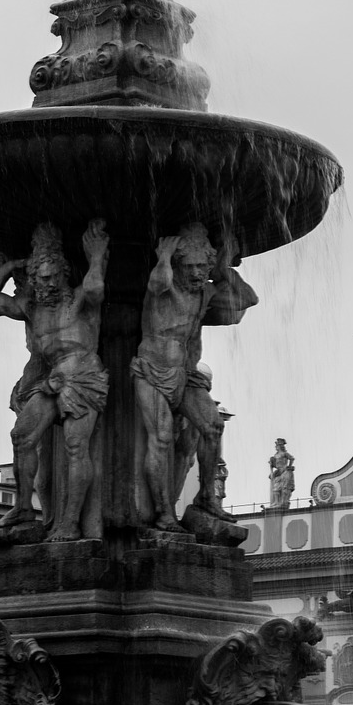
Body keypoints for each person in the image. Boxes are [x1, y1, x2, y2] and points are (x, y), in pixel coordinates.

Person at [0, 220, 109, 541]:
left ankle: (70, 523)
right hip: (53, 380)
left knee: (76, 447)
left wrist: (95, 257)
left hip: (83, 378)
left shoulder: (75, 299)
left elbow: (95, 289)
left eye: (51, 277)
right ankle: (23, 507)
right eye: (39, 278)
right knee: (21, 436)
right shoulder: (31, 306)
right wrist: (11, 265)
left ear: (63, 275)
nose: (46, 284)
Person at [131, 225, 257, 529]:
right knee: (160, 440)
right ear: (178, 265)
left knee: (213, 427)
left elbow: (247, 300)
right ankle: (163, 512)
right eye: (191, 267)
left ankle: (205, 497)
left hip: (186, 375)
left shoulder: (205, 292)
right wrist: (163, 257)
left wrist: (224, 270)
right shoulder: (164, 287)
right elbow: (157, 282)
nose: (198, 273)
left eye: (203, 266)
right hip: (152, 372)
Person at [269, 437, 295, 509]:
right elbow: (273, 465)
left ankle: (282, 502)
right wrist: (271, 465)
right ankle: (276, 502)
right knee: (276, 489)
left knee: (284, 488)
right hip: (278, 472)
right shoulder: (275, 455)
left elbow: (292, 458)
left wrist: (289, 466)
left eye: (276, 446)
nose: (276, 447)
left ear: (279, 446)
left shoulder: (284, 454)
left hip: (284, 471)